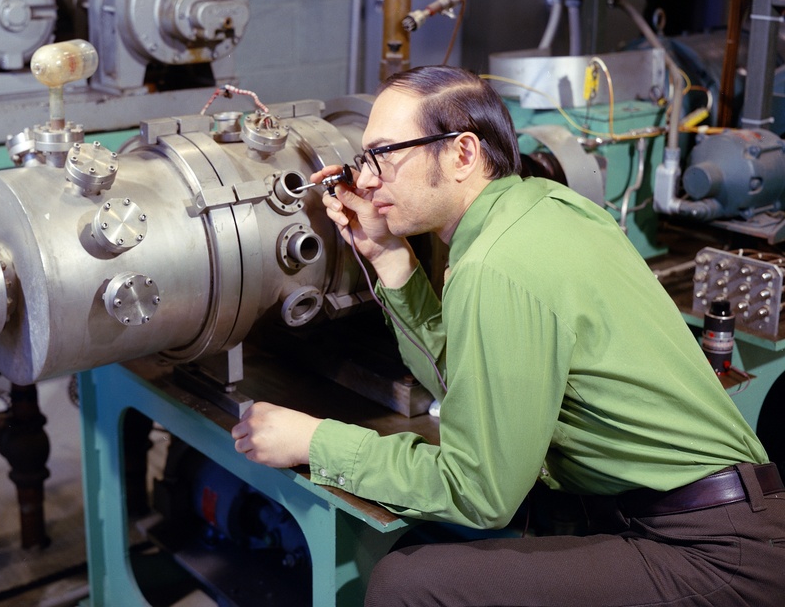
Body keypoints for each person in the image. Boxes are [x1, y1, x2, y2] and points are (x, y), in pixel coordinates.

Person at [230, 65, 785, 606]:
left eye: (384, 155)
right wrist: (386, 257)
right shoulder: (546, 209)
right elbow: (468, 378)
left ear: (463, 153)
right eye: (364, 157)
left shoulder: (493, 265)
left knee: (406, 584)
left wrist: (315, 440)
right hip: (715, 517)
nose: (368, 178)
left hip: (711, 552)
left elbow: (477, 492)